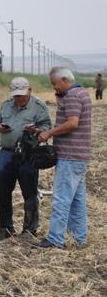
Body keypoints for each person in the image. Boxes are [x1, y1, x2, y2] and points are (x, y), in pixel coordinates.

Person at [34, 67, 93, 249]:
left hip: (70, 156)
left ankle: (55, 239)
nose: (54, 88)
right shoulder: (81, 93)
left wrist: (49, 133)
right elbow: (71, 116)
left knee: (61, 199)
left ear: (65, 79)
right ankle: (78, 238)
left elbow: (72, 122)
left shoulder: (73, 96)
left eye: (55, 84)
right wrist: (61, 100)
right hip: (80, 156)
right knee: (77, 200)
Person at [0, 77, 52, 240]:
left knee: (29, 191)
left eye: (22, 95)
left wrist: (35, 131)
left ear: (29, 91)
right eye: (16, 96)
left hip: (29, 153)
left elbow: (47, 128)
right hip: (7, 153)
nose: (19, 99)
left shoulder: (39, 107)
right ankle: (5, 229)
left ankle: (29, 230)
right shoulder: (6, 105)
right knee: (2, 191)